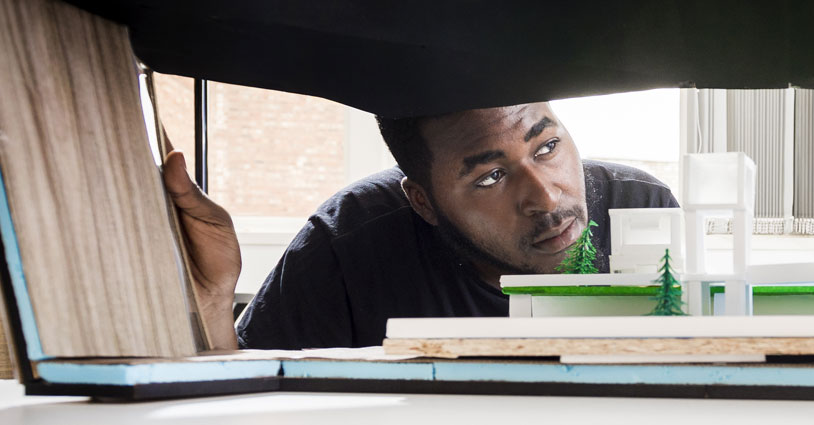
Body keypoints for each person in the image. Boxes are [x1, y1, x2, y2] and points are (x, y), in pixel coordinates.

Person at [160, 102, 678, 350]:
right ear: (423, 201)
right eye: (492, 176)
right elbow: (245, 402)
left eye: (547, 148)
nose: (545, 196)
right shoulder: (346, 245)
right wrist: (211, 300)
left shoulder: (641, 208)